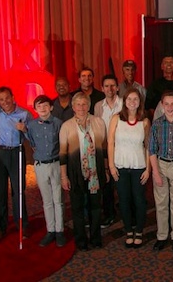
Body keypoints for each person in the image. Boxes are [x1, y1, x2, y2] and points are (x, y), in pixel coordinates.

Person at [60, 92, 108, 251]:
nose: (81, 107)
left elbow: (105, 148)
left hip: (96, 172)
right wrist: (64, 176)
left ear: (89, 105)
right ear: (73, 107)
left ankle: (95, 238)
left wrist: (106, 169)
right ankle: (81, 240)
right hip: (75, 173)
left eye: (84, 104)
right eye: (78, 104)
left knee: (95, 207)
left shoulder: (99, 122)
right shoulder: (66, 126)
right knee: (78, 208)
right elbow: (63, 154)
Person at [19, 95, 65, 247]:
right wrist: (23, 130)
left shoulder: (58, 123)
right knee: (46, 200)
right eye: (39, 106)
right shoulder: (31, 125)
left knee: (58, 199)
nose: (43, 109)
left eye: (45, 105)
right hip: (40, 166)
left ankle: (60, 231)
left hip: (56, 163)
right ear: (35, 109)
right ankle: (50, 230)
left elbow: (63, 143)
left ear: (51, 107)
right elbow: (31, 142)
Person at [108, 88, 150, 249]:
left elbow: (148, 146)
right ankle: (128, 230)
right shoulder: (116, 119)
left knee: (139, 200)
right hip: (120, 166)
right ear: (124, 101)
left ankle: (138, 230)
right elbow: (110, 142)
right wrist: (111, 166)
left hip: (139, 166)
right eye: (129, 99)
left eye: (136, 99)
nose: (132, 102)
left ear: (140, 102)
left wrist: (148, 169)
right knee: (124, 200)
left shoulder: (145, 121)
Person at [149, 91, 173, 252]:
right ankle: (162, 235)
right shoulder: (157, 124)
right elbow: (151, 149)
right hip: (160, 164)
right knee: (161, 204)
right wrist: (156, 173)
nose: (170, 107)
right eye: (167, 104)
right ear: (162, 105)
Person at [0, 86, 33, 241]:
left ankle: (22, 224)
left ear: (13, 97)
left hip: (17, 152)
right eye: (1, 99)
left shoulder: (24, 114)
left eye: (7, 98)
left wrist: (25, 129)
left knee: (18, 190)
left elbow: (31, 135)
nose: (5, 102)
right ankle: (1, 226)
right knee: (0, 192)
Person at [94, 74, 123, 228]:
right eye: (106, 86)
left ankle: (126, 214)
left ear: (117, 87)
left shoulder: (124, 104)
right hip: (104, 148)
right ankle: (109, 214)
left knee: (121, 183)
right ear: (102, 88)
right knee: (106, 184)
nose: (110, 89)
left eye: (113, 86)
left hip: (121, 149)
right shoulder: (98, 106)